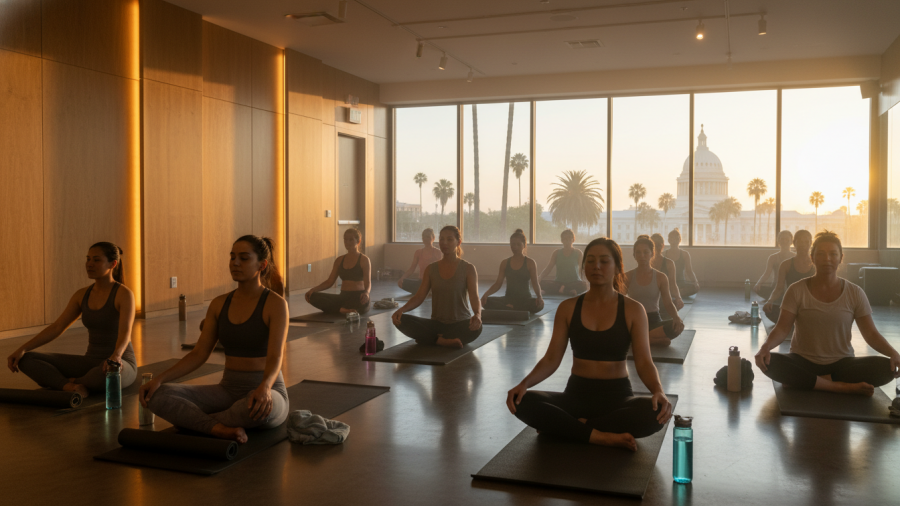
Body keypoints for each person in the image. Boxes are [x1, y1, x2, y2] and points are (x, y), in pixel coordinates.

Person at [506, 238, 672, 451]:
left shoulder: (633, 309)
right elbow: (551, 359)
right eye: (591, 261)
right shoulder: (568, 308)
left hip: (617, 397)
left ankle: (572, 428)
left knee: (655, 411)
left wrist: (658, 390)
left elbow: (644, 362)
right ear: (583, 267)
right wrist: (524, 384)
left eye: (604, 261)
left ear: (617, 267)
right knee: (522, 401)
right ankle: (600, 436)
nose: (597, 266)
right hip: (575, 395)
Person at [140, 235, 289, 443]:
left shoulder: (275, 304)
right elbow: (199, 354)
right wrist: (159, 379)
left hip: (267, 389)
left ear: (262, 265)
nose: (235, 263)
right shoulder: (219, 304)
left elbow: (275, 356)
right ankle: (217, 428)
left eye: (244, 258)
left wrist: (264, 387)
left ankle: (198, 424)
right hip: (227, 390)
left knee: (252, 409)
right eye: (232, 257)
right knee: (156, 395)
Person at [755, 231, 900, 396]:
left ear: (841, 258)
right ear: (812, 258)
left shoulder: (855, 292)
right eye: (821, 254)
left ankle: (809, 381)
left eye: (833, 254)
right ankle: (839, 386)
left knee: (886, 367)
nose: (827, 259)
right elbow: (782, 329)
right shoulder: (796, 290)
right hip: (802, 361)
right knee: (771, 362)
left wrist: (894, 353)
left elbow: (871, 333)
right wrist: (765, 348)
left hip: (842, 363)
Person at [7, 242, 137, 398]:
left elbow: (125, 332)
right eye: (88, 259)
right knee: (26, 360)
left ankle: (65, 382)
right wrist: (22, 349)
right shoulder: (81, 294)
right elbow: (57, 327)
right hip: (90, 362)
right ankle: (70, 386)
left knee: (106, 375)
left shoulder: (124, 294)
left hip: (121, 362)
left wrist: (116, 356)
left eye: (96, 260)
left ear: (112, 264)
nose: (89, 264)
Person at [391, 226, 483, 348]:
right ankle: (441, 341)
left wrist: (477, 315)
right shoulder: (431, 269)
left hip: (460, 324)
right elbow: (419, 297)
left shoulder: (468, 268)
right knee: (401, 320)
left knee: (477, 328)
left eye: (449, 239)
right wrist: (401, 310)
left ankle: (429, 338)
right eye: (442, 239)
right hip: (436, 324)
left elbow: (474, 297)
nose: (444, 243)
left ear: (458, 242)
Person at [624, 235, 684, 346]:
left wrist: (676, 317)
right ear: (634, 255)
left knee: (678, 326)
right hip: (634, 321)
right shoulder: (627, 276)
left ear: (652, 253)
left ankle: (637, 339)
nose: (642, 256)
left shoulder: (661, 277)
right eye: (638, 252)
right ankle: (650, 339)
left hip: (654, 321)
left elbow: (668, 302)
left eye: (646, 252)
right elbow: (617, 301)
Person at [305, 228, 371, 314]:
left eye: (351, 239)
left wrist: (366, 293)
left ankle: (338, 309)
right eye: (345, 239)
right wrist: (313, 290)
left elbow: (368, 282)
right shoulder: (339, 260)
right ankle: (343, 310)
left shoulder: (364, 260)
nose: (347, 242)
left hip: (358, 298)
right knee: (312, 297)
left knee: (363, 305)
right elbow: (330, 281)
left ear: (358, 241)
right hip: (343, 297)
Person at [481, 229, 545, 313]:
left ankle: (509, 308)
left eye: (518, 244)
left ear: (524, 245)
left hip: (525, 300)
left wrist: (539, 297)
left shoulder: (530, 263)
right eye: (513, 244)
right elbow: (498, 284)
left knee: (539, 305)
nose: (515, 247)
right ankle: (514, 308)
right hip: (508, 299)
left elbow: (535, 283)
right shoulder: (504, 263)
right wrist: (486, 294)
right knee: (487, 302)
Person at [763, 230, 814, 323]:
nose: (803, 245)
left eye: (806, 242)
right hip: (791, 304)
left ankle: (795, 321)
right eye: (800, 242)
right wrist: (770, 301)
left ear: (811, 243)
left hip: (810, 305)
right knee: (770, 310)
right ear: (794, 243)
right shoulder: (786, 265)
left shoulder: (816, 264)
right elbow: (779, 288)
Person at [539, 229, 588, 296]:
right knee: (542, 283)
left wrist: (587, 280)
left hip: (574, 282)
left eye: (569, 239)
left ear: (573, 240)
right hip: (558, 282)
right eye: (564, 239)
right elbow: (548, 268)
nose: (567, 241)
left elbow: (582, 269)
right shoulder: (556, 253)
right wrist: (540, 277)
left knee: (584, 285)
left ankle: (561, 290)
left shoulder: (578, 253)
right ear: (562, 240)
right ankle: (567, 291)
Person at [397, 228, 442, 295]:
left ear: (433, 238)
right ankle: (425, 291)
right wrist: (402, 278)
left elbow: (441, 270)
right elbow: (412, 269)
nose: (425, 239)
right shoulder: (418, 252)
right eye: (424, 237)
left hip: (433, 282)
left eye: (428, 237)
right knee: (402, 283)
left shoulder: (437, 252)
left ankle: (427, 291)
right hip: (421, 282)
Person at [754, 230, 794, 299]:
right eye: (782, 239)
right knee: (759, 289)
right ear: (778, 241)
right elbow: (767, 273)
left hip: (790, 287)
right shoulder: (773, 257)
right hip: (775, 287)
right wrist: (758, 283)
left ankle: (780, 297)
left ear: (791, 242)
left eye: (787, 240)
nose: (784, 242)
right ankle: (778, 297)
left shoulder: (795, 257)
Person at [650, 233, 684, 311]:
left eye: (658, 245)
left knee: (674, 303)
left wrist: (678, 298)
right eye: (654, 245)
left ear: (662, 246)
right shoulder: (646, 262)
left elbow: (673, 284)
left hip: (663, 297)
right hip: (649, 297)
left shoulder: (669, 263)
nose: (656, 247)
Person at [663, 228, 699, 298]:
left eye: (676, 238)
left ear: (680, 240)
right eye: (672, 238)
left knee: (694, 288)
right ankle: (674, 292)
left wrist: (695, 282)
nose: (674, 240)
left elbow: (689, 271)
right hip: (668, 284)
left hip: (681, 283)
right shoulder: (664, 254)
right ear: (669, 240)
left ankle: (674, 292)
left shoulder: (685, 254)